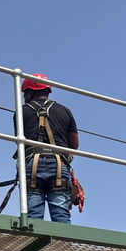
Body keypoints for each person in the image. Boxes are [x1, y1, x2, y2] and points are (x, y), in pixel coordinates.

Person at [17, 74, 79, 223]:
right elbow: (74, 145)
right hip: (59, 164)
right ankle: (64, 246)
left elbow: (19, 141)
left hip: (32, 165)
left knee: (33, 218)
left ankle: (34, 243)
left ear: (29, 92)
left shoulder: (21, 112)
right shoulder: (65, 111)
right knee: (61, 217)